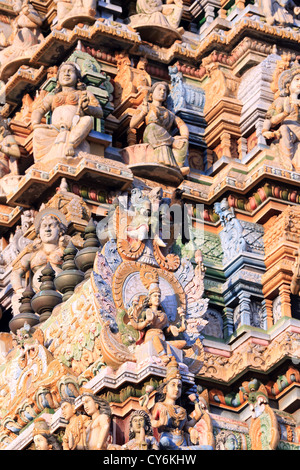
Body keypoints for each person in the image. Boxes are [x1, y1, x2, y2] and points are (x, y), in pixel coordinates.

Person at [31, 61, 103, 163]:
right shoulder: (52, 97)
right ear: (58, 80)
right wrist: (35, 123)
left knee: (87, 120)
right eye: (63, 72)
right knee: (39, 132)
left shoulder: (84, 93)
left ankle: (71, 144)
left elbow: (99, 112)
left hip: (74, 127)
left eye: (70, 71)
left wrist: (87, 108)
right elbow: (39, 110)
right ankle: (41, 163)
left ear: (78, 78)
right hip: (55, 129)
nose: (66, 74)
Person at [11, 208, 69, 314]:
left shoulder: (65, 251)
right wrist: (19, 289)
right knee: (17, 299)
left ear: (60, 231)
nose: (47, 230)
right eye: (44, 226)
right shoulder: (32, 254)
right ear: (39, 233)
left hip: (60, 292)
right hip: (36, 296)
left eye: (51, 226)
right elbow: (15, 272)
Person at [150, 358, 213, 450]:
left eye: (179, 386)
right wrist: (159, 423)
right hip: (168, 440)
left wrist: (191, 430)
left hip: (182, 442)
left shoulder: (182, 410)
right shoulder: (159, 405)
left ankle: (179, 449)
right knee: (164, 441)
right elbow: (150, 421)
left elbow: (187, 425)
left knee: (209, 448)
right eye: (173, 385)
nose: (176, 389)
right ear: (165, 389)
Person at [130, 81, 189, 175]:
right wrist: (143, 113)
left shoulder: (170, 114)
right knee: (153, 126)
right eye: (159, 89)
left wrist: (184, 136)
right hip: (151, 135)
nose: (162, 92)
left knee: (183, 142)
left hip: (164, 138)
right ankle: (172, 142)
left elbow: (182, 125)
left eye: (164, 91)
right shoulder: (146, 106)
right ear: (152, 94)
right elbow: (132, 124)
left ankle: (179, 167)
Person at [127, 279, 187, 365]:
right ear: (150, 299)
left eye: (159, 296)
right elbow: (138, 327)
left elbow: (165, 331)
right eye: (155, 296)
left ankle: (169, 353)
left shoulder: (163, 315)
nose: (157, 298)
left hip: (163, 338)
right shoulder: (146, 312)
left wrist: (170, 329)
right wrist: (146, 320)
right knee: (156, 339)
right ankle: (163, 355)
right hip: (151, 336)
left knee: (183, 343)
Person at [262, 64, 300, 170]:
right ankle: (287, 163)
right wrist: (265, 131)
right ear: (288, 84)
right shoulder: (282, 101)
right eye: (297, 80)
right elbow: (270, 120)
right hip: (288, 130)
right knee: (283, 129)